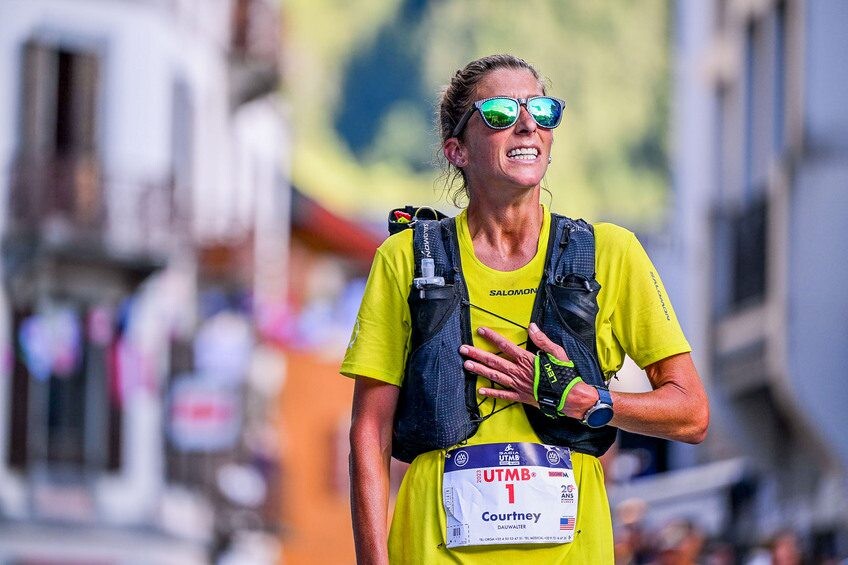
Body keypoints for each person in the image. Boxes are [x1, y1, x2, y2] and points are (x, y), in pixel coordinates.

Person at [341, 54, 709, 564]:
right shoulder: (406, 260)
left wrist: (585, 399)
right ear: (457, 150)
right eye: (499, 112)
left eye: (541, 109)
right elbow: (369, 432)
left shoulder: (611, 254)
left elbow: (691, 414)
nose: (527, 124)